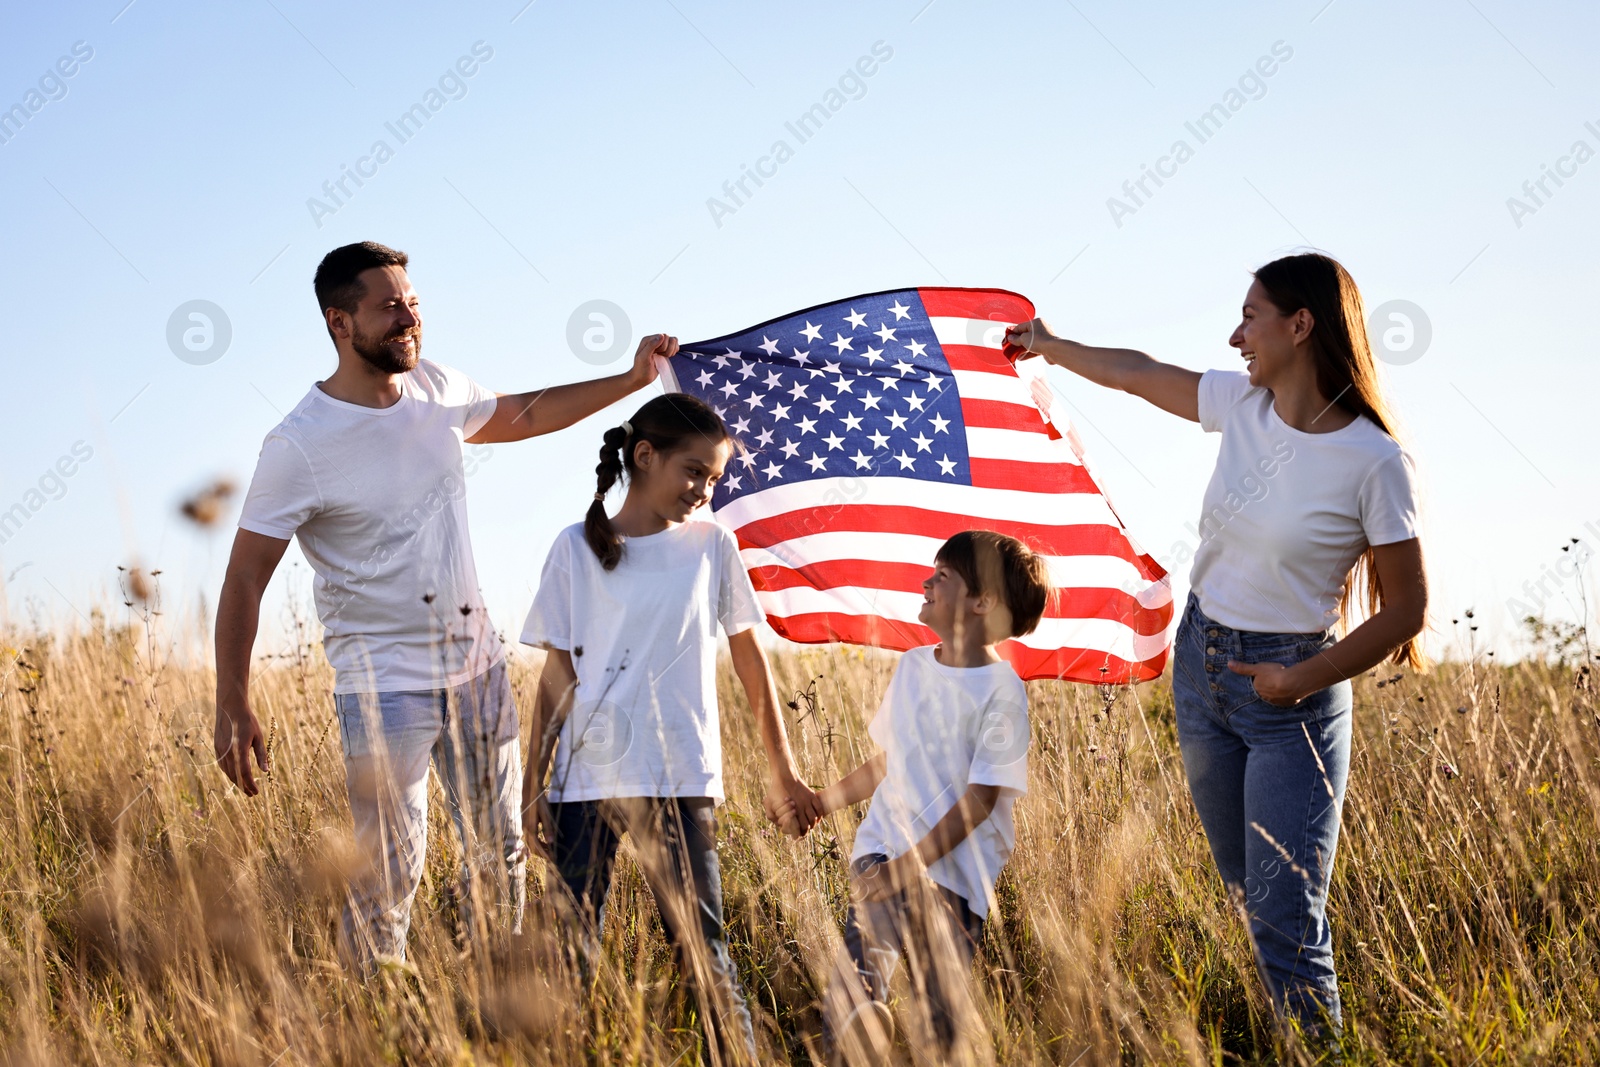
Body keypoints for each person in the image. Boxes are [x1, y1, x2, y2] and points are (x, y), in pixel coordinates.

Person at [213, 240, 678, 968]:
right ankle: (375, 1019)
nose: (409, 317)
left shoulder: (436, 389)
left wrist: (631, 377)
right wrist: (232, 699)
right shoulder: (297, 445)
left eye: (414, 301)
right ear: (340, 322)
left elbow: (525, 413)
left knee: (503, 857)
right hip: (382, 688)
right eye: (389, 305)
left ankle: (495, 1008)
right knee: (390, 872)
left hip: (477, 672)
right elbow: (245, 577)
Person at [1005, 252, 1428, 1043]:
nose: (1237, 335)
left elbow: (1407, 609)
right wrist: (1051, 345)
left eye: (1251, 316)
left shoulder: (1375, 459)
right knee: (1246, 895)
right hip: (1202, 673)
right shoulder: (1245, 405)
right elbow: (1139, 372)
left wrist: (1298, 677)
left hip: (1290, 699)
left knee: (1285, 918)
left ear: (1301, 325)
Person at [520, 392, 824, 1065]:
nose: (703, 489)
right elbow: (555, 675)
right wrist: (531, 785)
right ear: (644, 456)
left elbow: (749, 660)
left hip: (680, 774)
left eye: (714, 478)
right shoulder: (575, 547)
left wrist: (783, 769)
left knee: (702, 953)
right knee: (571, 958)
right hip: (583, 783)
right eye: (693, 471)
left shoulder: (712, 544)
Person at [777, 530, 1049, 1067]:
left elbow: (980, 801)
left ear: (982, 602)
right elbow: (886, 765)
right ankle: (857, 1038)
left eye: (942, 576)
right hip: (883, 851)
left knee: (938, 1022)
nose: (926, 581)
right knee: (858, 980)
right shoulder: (914, 667)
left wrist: (907, 869)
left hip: (955, 879)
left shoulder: (1002, 691)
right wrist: (821, 801)